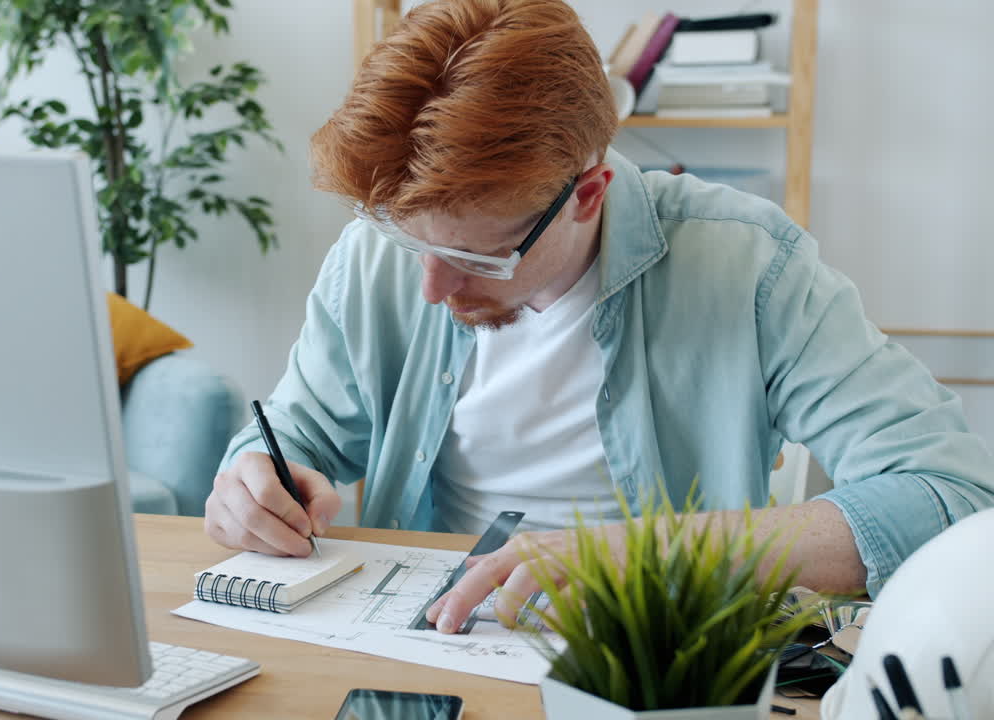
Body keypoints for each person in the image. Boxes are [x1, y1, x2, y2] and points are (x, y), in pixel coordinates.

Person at [203, 0, 994, 634]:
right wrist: (253, 481)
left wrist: (640, 555)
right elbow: (295, 437)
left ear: (589, 192)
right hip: (435, 641)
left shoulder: (750, 266)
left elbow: (953, 496)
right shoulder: (375, 258)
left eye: (481, 260)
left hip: (661, 659)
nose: (432, 289)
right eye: (407, 240)